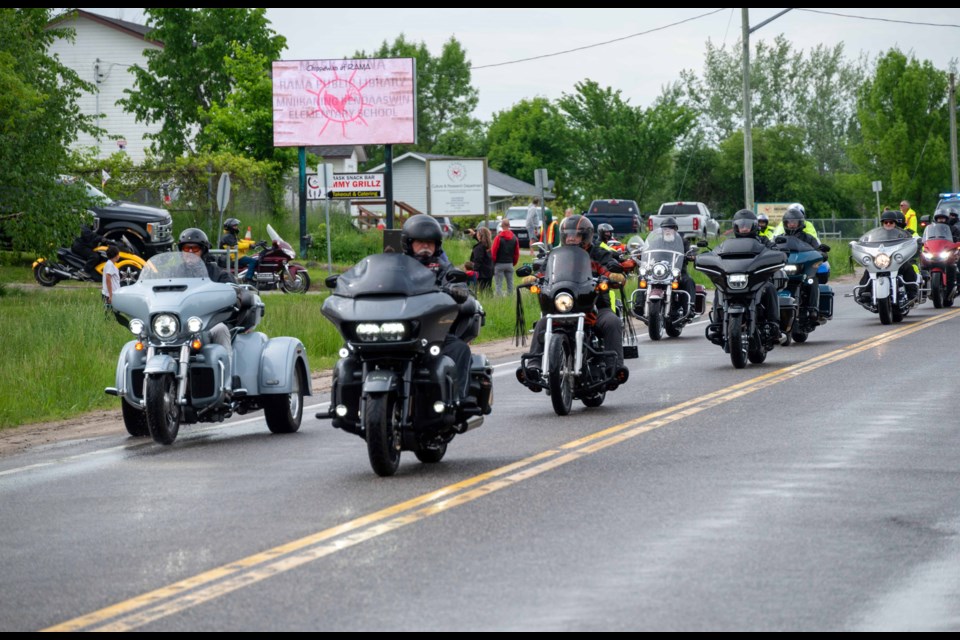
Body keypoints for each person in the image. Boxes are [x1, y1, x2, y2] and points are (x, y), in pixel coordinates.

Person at [522, 215, 628, 385]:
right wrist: (534, 278)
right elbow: (543, 272)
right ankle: (534, 367)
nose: (571, 238)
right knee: (542, 323)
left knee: (612, 322)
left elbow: (610, 268)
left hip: (595, 307)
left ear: (585, 236)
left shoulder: (598, 253)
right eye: (568, 234)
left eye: (576, 234)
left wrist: (614, 276)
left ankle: (614, 367)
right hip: (563, 306)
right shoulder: (555, 255)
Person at [400, 214, 473, 402]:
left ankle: (458, 401)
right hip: (400, 330)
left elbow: (457, 283)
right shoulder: (397, 266)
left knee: (460, 349)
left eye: (430, 243)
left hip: (432, 332)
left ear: (437, 245)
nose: (425, 246)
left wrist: (458, 289)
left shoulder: (443, 267)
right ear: (409, 243)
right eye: (420, 242)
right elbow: (378, 282)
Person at [711, 209, 782, 343]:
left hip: (757, 281)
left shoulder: (763, 241)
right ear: (735, 226)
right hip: (734, 281)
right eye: (741, 225)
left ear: (754, 225)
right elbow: (716, 253)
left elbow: (775, 250)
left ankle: (774, 326)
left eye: (747, 225)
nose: (744, 228)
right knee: (718, 289)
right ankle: (717, 324)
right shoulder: (728, 244)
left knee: (770, 288)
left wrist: (777, 253)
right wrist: (707, 256)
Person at [178, 228, 238, 376]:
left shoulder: (215, 272)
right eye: (186, 248)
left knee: (221, 329)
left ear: (203, 251)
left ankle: (227, 381)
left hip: (207, 324)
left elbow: (232, 291)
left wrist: (229, 291)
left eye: (195, 248)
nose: (190, 252)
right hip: (178, 326)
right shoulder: (173, 273)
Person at [775, 206, 824, 320]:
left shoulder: (808, 238)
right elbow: (771, 249)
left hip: (802, 269)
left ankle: (813, 308)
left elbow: (817, 250)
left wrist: (822, 253)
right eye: (789, 222)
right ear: (785, 223)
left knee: (812, 280)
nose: (792, 224)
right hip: (784, 269)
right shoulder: (779, 239)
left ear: (800, 223)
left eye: (794, 222)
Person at [658, 217, 698, 318]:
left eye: (670, 229)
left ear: (675, 230)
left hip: (678, 272)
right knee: (643, 278)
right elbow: (648, 250)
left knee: (689, 281)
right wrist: (642, 254)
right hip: (660, 272)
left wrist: (691, 255)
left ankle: (689, 308)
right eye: (665, 229)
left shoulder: (683, 242)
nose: (667, 231)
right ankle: (639, 305)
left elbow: (690, 251)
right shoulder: (657, 242)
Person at [219, 217, 258, 282]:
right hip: (234, 257)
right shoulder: (227, 237)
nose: (236, 227)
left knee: (256, 258)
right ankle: (248, 278)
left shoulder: (231, 235)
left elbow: (241, 241)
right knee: (253, 261)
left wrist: (255, 242)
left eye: (236, 226)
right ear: (230, 227)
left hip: (237, 256)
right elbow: (238, 245)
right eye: (235, 226)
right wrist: (249, 245)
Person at [491, 217, 520, 296]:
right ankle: (510, 298)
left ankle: (500, 300)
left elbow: (493, 252)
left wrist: (494, 262)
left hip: (499, 264)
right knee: (510, 284)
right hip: (509, 263)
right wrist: (513, 263)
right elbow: (516, 253)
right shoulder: (514, 238)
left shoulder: (498, 238)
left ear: (501, 226)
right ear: (509, 225)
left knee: (498, 285)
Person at [470, 225, 494, 292]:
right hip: (489, 271)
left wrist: (474, 271)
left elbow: (478, 260)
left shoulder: (478, 247)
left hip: (481, 273)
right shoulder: (488, 245)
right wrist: (474, 234)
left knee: (481, 290)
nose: (476, 234)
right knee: (488, 289)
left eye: (477, 233)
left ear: (480, 235)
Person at [101, 245, 120, 309]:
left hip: (111, 294)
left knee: (112, 315)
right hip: (109, 295)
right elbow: (108, 279)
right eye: (118, 254)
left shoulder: (110, 264)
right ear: (115, 255)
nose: (119, 256)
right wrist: (110, 295)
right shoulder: (110, 265)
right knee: (110, 314)